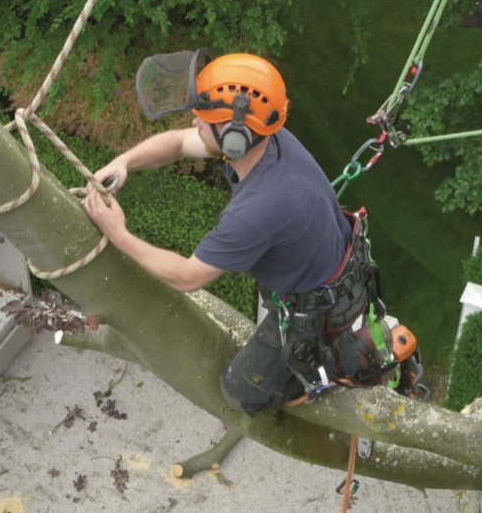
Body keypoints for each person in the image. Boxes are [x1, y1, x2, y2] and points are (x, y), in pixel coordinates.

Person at [83, 50, 369, 413]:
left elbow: (188, 277)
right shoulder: (268, 136)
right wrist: (123, 162)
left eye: (205, 120)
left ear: (235, 136)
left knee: (238, 391)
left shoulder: (258, 209)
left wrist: (119, 234)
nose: (195, 123)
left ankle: (307, 382)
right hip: (335, 269)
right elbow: (176, 143)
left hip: (320, 311)